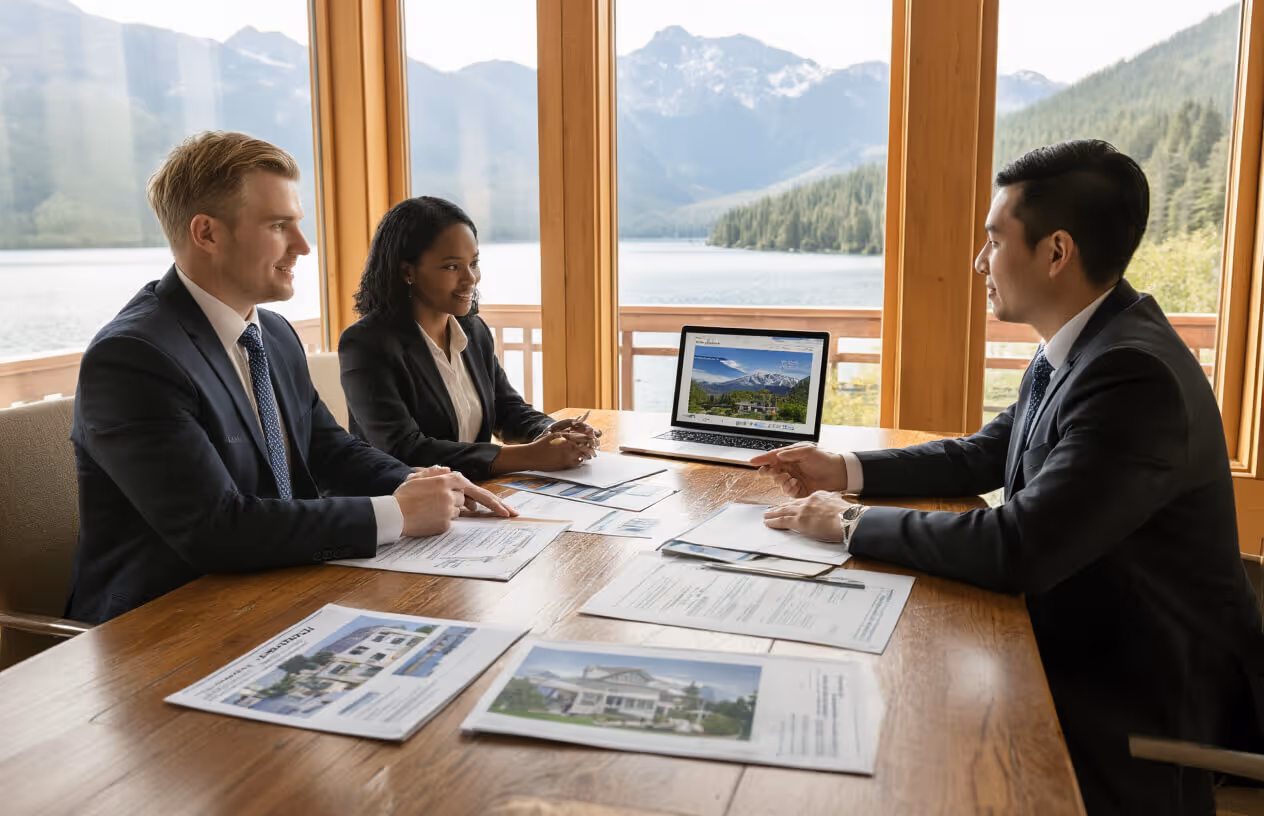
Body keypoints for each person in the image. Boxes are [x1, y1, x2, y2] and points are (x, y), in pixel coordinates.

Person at [752, 140, 1264, 814]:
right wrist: (843, 468)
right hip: (1074, 641)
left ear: (1056, 253)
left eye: (994, 241)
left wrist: (847, 521)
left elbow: (1018, 547)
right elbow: (983, 454)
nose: (978, 262)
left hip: (1132, 702)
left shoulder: (1132, 377)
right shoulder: (1087, 342)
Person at [66, 132, 513, 625]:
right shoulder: (132, 358)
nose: (303, 246)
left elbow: (329, 450)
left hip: (281, 587)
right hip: (165, 623)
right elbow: (215, 529)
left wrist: (423, 482)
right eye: (280, 226)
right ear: (207, 234)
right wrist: (399, 513)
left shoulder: (273, 334)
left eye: (298, 225)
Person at [338, 196, 599, 480]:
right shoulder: (365, 344)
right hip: (406, 505)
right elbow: (403, 449)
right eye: (452, 267)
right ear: (407, 271)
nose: (471, 279)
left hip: (475, 495)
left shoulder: (474, 331)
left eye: (473, 263)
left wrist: (552, 431)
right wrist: (528, 456)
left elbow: (506, 409)